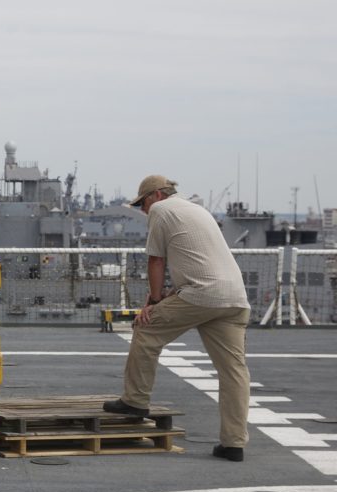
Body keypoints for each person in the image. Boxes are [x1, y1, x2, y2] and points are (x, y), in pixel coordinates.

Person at [103, 175, 251, 462]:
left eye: (143, 203)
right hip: (234, 298)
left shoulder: (162, 211)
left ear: (157, 195)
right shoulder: (197, 209)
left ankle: (135, 402)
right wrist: (168, 294)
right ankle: (234, 444)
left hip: (202, 295)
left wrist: (155, 300)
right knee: (234, 371)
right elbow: (198, 261)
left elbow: (155, 259)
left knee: (146, 329)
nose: (143, 210)